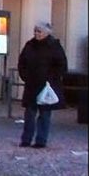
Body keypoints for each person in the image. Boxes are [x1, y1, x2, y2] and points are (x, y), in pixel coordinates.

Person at [18, 21, 67, 149]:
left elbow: (62, 65)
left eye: (39, 31)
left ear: (46, 33)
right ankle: (26, 139)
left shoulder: (54, 46)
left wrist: (52, 78)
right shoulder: (30, 45)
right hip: (32, 84)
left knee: (44, 114)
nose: (37, 34)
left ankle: (41, 140)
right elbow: (22, 62)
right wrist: (25, 75)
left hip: (47, 86)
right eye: (35, 31)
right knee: (29, 114)